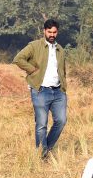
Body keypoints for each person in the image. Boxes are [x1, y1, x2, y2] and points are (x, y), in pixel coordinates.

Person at [13, 19, 67, 160]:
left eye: (54, 32)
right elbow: (18, 59)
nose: (52, 34)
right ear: (44, 31)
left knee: (61, 121)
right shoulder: (34, 46)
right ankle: (42, 156)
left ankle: (46, 149)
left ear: (57, 32)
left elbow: (62, 70)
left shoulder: (60, 49)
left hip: (58, 91)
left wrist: (63, 86)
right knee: (41, 124)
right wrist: (32, 70)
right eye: (49, 32)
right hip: (40, 91)